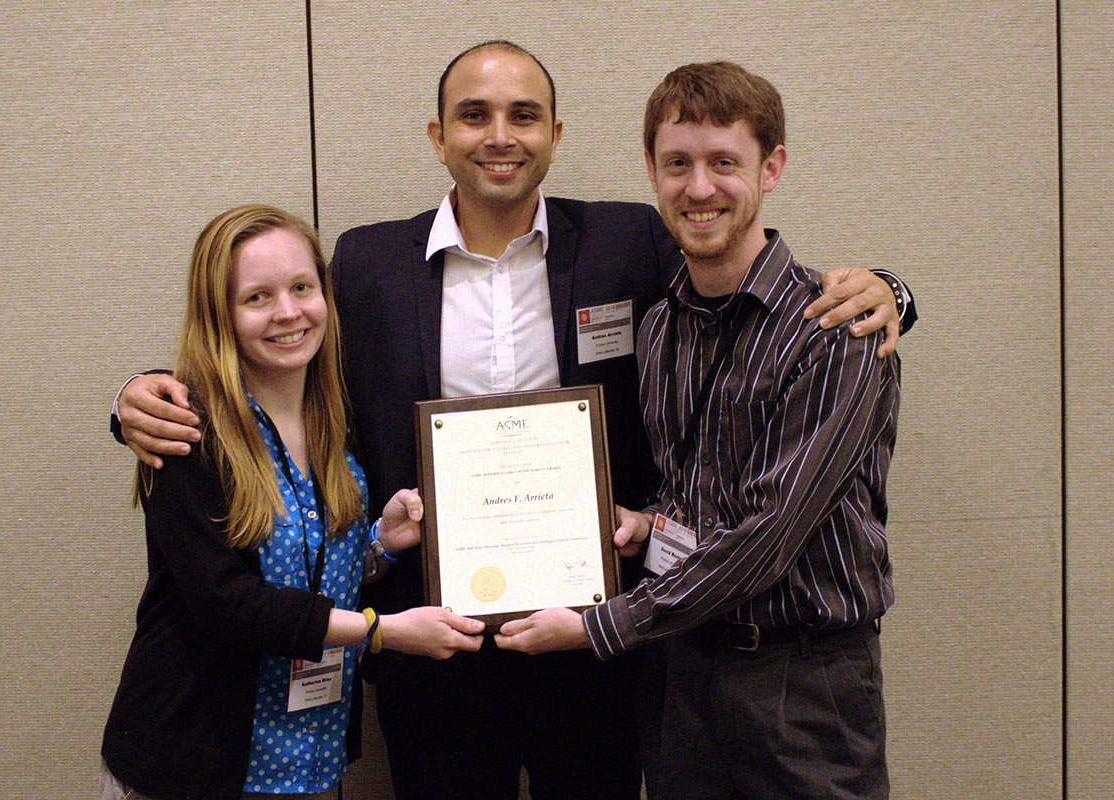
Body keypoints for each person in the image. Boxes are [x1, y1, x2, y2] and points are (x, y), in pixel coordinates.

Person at [113, 43, 914, 800]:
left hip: (597, 642)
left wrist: (891, 292)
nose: (500, 136)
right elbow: (270, 337)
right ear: (439, 137)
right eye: (474, 115)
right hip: (433, 644)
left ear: (555, 136)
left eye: (524, 115)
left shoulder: (631, 240)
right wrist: (139, 400)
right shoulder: (367, 263)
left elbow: (743, 274)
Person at [495, 61, 900, 800]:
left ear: (771, 168)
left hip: (802, 685)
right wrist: (647, 524)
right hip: (680, 675)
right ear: (652, 172)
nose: (699, 187)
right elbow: (695, 491)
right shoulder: (659, 328)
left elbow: (769, 535)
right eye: (678, 163)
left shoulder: (836, 330)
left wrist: (599, 627)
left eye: (725, 163)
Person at [99, 205, 484, 800]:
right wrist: (380, 632)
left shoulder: (334, 418)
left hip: (308, 755)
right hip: (194, 763)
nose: (288, 312)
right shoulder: (183, 431)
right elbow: (227, 602)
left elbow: (302, 570)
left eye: (302, 287)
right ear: (219, 313)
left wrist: (379, 544)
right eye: (257, 297)